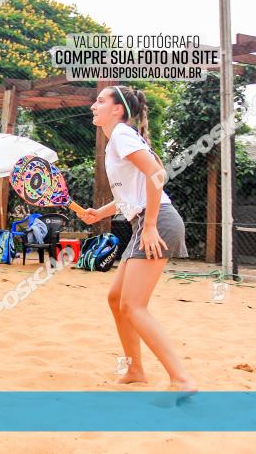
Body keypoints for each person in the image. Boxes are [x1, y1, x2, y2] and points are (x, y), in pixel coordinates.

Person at [81, 85, 195, 392]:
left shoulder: (121, 134)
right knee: (116, 299)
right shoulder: (115, 141)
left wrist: (150, 225)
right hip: (144, 222)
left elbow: (156, 175)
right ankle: (135, 371)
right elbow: (129, 194)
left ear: (117, 110)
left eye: (100, 101)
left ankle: (182, 379)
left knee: (133, 305)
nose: (94, 105)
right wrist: (100, 213)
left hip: (157, 223)